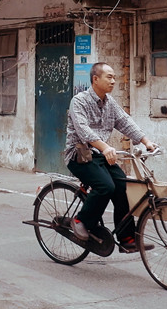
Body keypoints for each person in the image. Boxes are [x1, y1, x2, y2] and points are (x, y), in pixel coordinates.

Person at [64, 62, 156, 253]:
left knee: (122, 187)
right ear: (95, 79)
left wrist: (146, 141)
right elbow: (84, 130)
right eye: (109, 77)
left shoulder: (109, 102)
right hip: (79, 155)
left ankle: (127, 238)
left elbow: (125, 122)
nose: (113, 81)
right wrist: (105, 147)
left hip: (100, 155)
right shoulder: (79, 101)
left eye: (114, 77)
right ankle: (81, 220)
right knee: (105, 186)